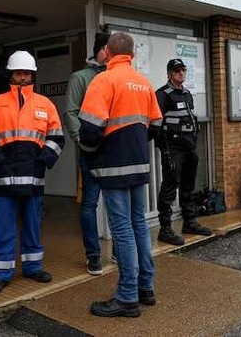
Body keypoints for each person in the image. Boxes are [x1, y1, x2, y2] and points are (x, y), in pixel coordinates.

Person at [78, 32, 163, 318]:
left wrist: (88, 152)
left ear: (107, 53)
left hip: (113, 165)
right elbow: (156, 125)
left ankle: (127, 297)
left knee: (123, 228)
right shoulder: (143, 82)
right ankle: (145, 288)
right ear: (133, 54)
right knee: (138, 224)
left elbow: (89, 129)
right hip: (139, 163)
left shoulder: (102, 81)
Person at [0, 50, 65, 294]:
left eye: (26, 73)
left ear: (32, 74)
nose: (23, 76)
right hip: (2, 179)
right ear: (11, 74)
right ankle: (0, 273)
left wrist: (42, 160)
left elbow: (57, 137)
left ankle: (33, 267)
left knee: (33, 225)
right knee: (3, 226)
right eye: (18, 72)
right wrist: (0, 161)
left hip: (34, 178)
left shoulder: (45, 105)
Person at [63, 33, 110, 275]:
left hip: (115, 151)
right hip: (92, 152)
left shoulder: (115, 76)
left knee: (117, 204)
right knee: (90, 203)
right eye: (110, 49)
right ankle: (93, 256)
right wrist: (80, 139)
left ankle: (120, 253)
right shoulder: (80, 77)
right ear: (102, 50)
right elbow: (70, 111)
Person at [155, 58, 211, 246]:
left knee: (188, 186)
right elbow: (156, 123)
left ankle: (189, 221)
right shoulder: (163, 94)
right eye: (177, 71)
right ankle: (165, 228)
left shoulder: (187, 94)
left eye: (183, 70)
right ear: (169, 74)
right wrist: (164, 147)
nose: (181, 73)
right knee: (170, 187)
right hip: (173, 148)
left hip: (189, 148)